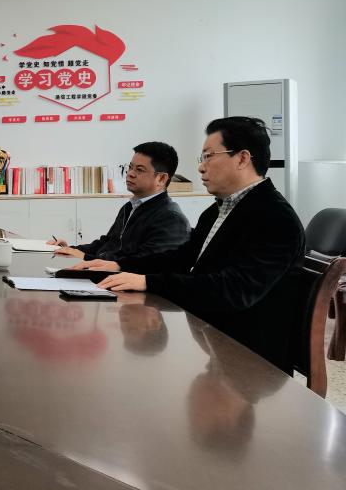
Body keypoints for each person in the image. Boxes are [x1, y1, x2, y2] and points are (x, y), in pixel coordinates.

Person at [71, 117, 306, 373]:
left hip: (248, 358)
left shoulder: (275, 217)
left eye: (208, 157)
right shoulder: (217, 211)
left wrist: (149, 282)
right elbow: (181, 258)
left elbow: (234, 290)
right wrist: (119, 265)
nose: (201, 168)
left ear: (242, 158)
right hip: (209, 333)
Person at [49, 142, 190, 260]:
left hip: (122, 281)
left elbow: (142, 262)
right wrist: (71, 249)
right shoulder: (130, 207)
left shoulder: (170, 218)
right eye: (130, 167)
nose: (130, 173)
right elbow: (107, 243)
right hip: (104, 273)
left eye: (139, 170)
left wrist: (86, 258)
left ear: (161, 178)